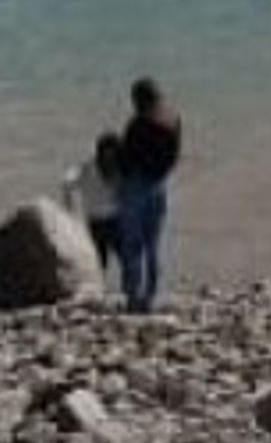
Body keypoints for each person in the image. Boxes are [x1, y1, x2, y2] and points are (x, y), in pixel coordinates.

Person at [114, 77, 184, 311]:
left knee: (132, 246)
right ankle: (152, 295)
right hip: (160, 185)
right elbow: (175, 156)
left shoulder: (139, 124)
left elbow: (126, 159)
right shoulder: (173, 119)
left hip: (136, 186)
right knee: (153, 246)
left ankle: (133, 297)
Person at [64, 127, 125, 273]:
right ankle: (99, 292)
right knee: (99, 263)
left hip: (117, 219)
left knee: (127, 259)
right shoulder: (89, 166)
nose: (109, 156)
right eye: (106, 152)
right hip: (96, 220)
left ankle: (132, 290)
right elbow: (67, 181)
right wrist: (70, 208)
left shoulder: (123, 167)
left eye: (113, 152)